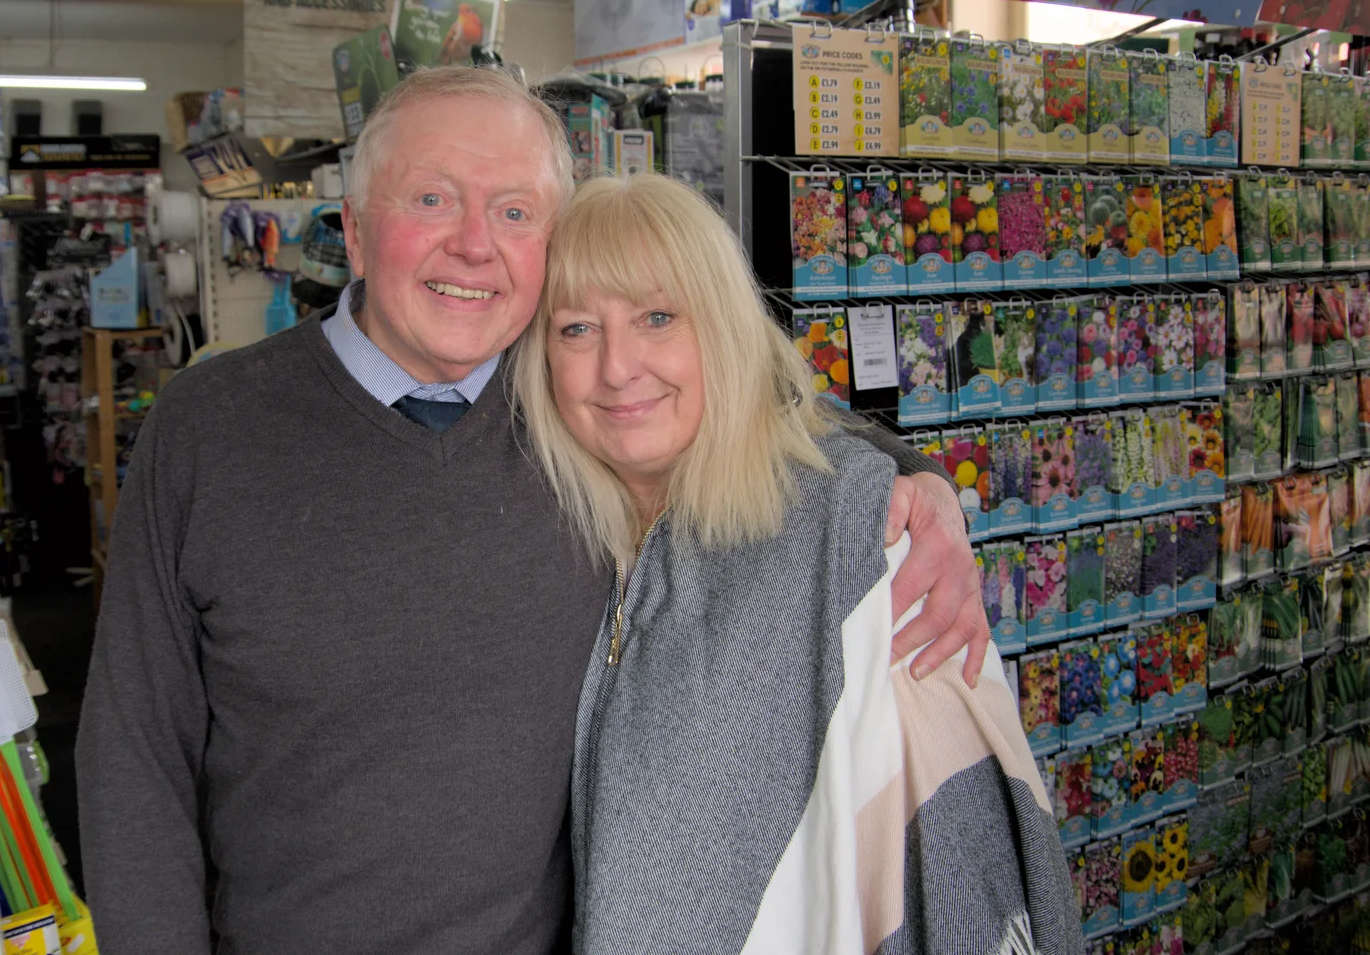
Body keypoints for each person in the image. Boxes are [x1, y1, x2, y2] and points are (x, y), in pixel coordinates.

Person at [76, 66, 989, 955]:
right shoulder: (208, 428)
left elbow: (753, 403)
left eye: (514, 212)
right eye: (432, 200)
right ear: (354, 232)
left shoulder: (570, 393)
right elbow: (133, 756)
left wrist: (919, 485)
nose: (475, 244)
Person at [510, 171, 1081, 955]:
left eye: (657, 317)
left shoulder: (862, 538)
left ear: (723, 328)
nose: (617, 367)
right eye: (577, 328)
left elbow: (962, 872)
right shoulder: (572, 530)